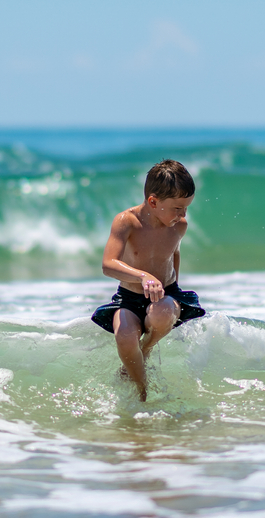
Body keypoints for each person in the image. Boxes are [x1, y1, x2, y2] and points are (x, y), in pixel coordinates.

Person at [91, 159, 206, 401]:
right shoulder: (127, 222)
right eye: (177, 208)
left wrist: (172, 288)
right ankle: (142, 392)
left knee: (162, 313)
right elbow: (108, 264)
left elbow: (173, 254)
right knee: (124, 336)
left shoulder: (179, 226)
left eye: (186, 208)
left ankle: (147, 348)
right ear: (153, 201)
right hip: (129, 297)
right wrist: (143, 276)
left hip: (166, 295)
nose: (183, 215)